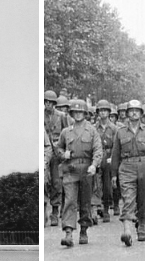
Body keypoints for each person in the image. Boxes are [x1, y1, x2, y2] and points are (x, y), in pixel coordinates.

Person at [110, 99, 145, 246]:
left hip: (144, 165)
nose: (133, 113)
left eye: (137, 111)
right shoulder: (120, 132)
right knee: (128, 198)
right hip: (126, 167)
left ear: (141, 114)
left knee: (144, 199)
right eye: (131, 111)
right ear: (127, 114)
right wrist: (114, 174)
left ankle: (142, 225)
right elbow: (115, 154)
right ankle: (127, 230)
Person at [56, 99, 102, 247]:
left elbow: (98, 150)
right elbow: (58, 149)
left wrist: (94, 165)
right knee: (69, 200)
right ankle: (68, 232)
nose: (78, 114)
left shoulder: (92, 130)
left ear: (85, 114)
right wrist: (64, 155)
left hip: (86, 170)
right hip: (70, 169)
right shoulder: (66, 132)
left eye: (80, 112)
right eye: (75, 112)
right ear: (71, 114)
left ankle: (84, 229)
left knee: (85, 202)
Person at [44, 90, 68, 226]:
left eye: (51, 103)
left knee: (57, 183)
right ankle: (45, 210)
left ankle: (55, 211)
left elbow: (66, 134)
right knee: (45, 182)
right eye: (46, 102)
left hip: (57, 152)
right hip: (44, 151)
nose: (48, 105)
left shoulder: (61, 116)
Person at [94, 100, 117, 222]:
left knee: (108, 186)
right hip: (97, 157)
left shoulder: (114, 128)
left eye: (105, 110)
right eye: (100, 110)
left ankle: (107, 208)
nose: (103, 113)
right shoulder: (94, 128)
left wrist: (112, 158)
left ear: (109, 112)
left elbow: (116, 146)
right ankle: (98, 207)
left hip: (108, 157)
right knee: (97, 184)